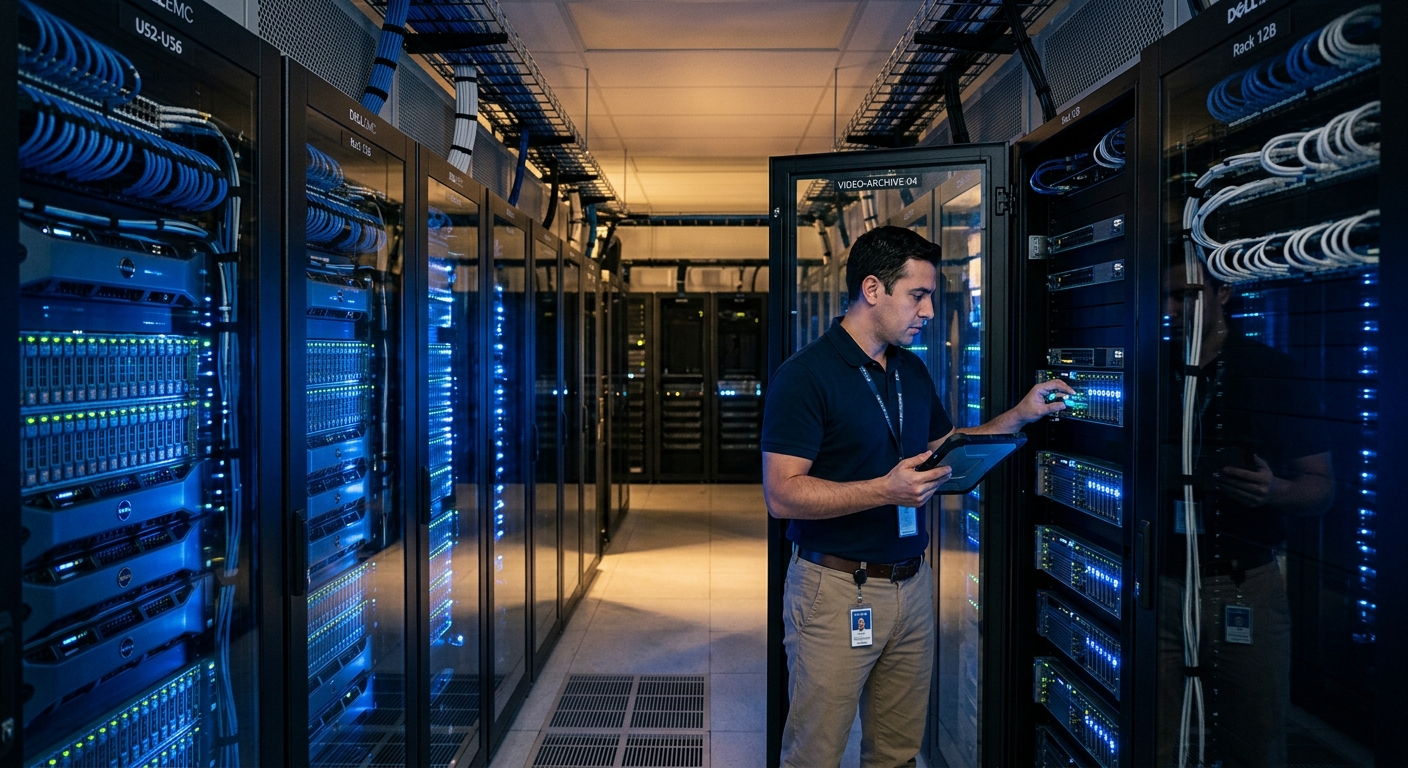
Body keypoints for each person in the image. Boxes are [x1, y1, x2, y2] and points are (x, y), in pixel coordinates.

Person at [761, 225, 1073, 767]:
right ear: (873, 289)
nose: (928, 311)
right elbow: (782, 495)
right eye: (918, 295)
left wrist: (1020, 415)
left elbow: (942, 449)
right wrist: (885, 490)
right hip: (836, 590)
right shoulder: (805, 376)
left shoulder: (910, 368)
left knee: (899, 752)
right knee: (815, 753)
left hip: (911, 584)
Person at [1156, 264, 1334, 768]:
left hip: (1242, 583)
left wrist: (1274, 490)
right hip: (1160, 585)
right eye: (1165, 298)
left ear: (1225, 292)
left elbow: (1321, 488)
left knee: (1253, 741)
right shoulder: (1150, 370)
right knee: (1156, 743)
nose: (1171, 310)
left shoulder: (1272, 372)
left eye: (1185, 296)